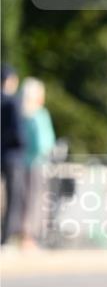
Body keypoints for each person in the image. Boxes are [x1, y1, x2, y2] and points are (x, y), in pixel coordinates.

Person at [20, 77, 56, 247]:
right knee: (35, 200)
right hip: (38, 163)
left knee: (23, 199)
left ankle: (22, 235)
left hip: (21, 163)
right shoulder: (39, 114)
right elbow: (44, 143)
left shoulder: (20, 113)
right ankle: (29, 237)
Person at [1, 64, 26, 246]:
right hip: (11, 156)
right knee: (13, 198)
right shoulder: (12, 102)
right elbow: (18, 132)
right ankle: (6, 237)